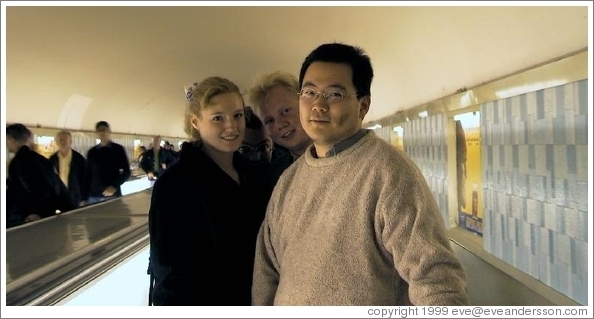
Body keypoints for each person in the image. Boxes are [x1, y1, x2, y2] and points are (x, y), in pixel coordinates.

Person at [252, 43, 470, 306]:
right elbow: (267, 271)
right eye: (309, 92)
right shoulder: (289, 180)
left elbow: (436, 277)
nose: (318, 105)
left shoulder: (389, 172)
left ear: (363, 106)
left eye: (334, 94)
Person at [148, 76, 271, 305]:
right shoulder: (175, 186)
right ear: (195, 122)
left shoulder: (251, 175)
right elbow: (171, 273)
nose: (232, 127)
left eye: (237, 115)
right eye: (218, 118)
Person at [247, 70, 312, 184]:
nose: (280, 124)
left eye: (285, 111)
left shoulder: (342, 155)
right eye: (269, 120)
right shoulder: (272, 176)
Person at [6, 124, 74, 228]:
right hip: (47, 215)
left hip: (27, 219)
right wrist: (68, 208)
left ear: (11, 138)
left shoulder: (18, 162)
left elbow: (25, 191)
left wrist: (33, 212)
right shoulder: (43, 160)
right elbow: (58, 187)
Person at [83, 121, 131, 205]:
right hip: (93, 196)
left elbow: (126, 172)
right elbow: (87, 175)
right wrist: (84, 196)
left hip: (111, 195)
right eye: (99, 130)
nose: (101, 132)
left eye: (103, 129)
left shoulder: (118, 150)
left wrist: (114, 186)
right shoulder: (92, 152)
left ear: (109, 131)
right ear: (96, 133)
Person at [49, 130, 88, 208]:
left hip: (75, 197)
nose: (63, 142)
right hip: (58, 197)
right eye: (60, 140)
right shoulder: (52, 159)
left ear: (70, 141)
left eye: (66, 139)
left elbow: (86, 179)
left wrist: (84, 198)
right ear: (56, 142)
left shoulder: (79, 159)